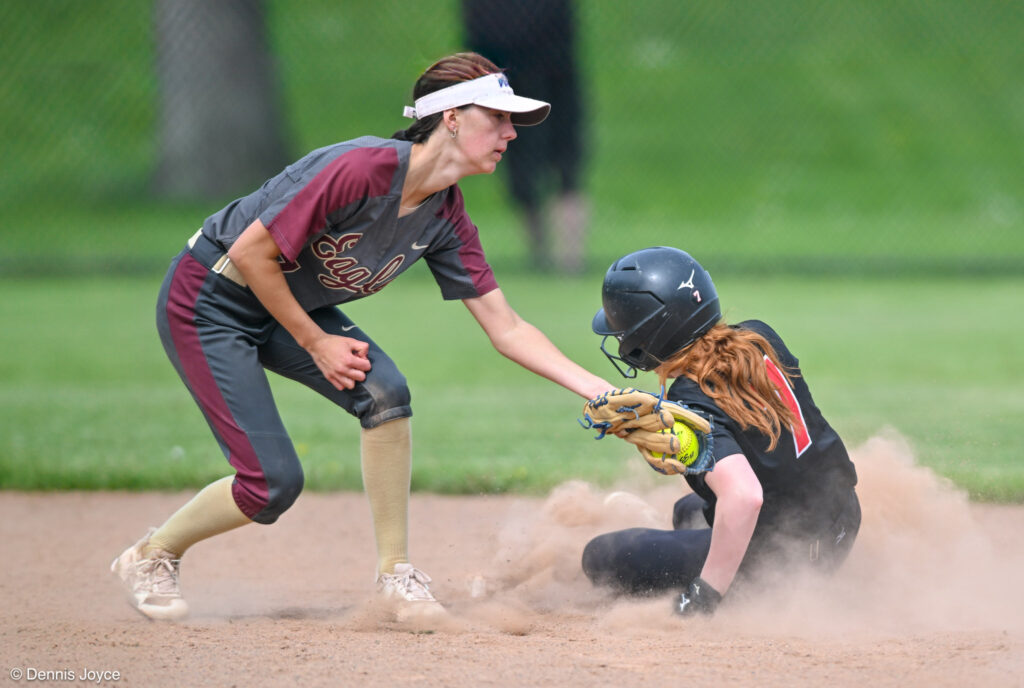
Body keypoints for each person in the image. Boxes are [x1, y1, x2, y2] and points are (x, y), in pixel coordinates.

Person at [111, 52, 612, 621]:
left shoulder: (445, 216)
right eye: (495, 116)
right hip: (210, 299)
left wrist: (602, 392)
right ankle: (151, 555)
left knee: (385, 392)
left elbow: (508, 326)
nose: (509, 132)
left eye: (511, 121)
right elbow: (251, 253)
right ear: (449, 117)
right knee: (270, 484)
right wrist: (315, 341)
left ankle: (394, 575)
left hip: (286, 305)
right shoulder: (363, 169)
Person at [580, 247, 860, 615]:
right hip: (841, 519)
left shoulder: (688, 406)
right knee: (688, 509)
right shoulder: (758, 338)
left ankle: (727, 586)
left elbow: (745, 497)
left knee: (601, 556)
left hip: (786, 560)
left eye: (625, 332)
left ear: (648, 340)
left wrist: (704, 596)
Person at [462, 0, 588, 273]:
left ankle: (570, 260)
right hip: (505, 76)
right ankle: (540, 255)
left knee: (567, 170)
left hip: (554, 70)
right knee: (519, 169)